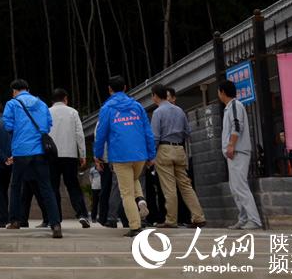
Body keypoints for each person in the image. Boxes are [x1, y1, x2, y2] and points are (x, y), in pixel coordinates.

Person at [93, 76, 156, 237]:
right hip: (140, 154)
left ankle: (135, 226)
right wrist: (151, 154)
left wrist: (97, 155)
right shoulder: (137, 106)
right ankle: (140, 199)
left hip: (121, 155)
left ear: (109, 89)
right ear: (126, 87)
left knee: (126, 192)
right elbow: (147, 131)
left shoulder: (107, 108)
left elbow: (101, 134)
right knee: (134, 180)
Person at [3, 79, 62, 238]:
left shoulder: (12, 104)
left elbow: (8, 126)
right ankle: (55, 224)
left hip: (21, 151)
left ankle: (15, 221)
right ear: (27, 89)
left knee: (15, 186)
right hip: (39, 150)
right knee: (46, 187)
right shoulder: (41, 104)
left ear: (15, 91)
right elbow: (48, 125)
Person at [150, 84, 206, 228]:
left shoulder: (158, 112)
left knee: (169, 188)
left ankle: (171, 219)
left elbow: (155, 137)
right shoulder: (179, 110)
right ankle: (198, 216)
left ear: (155, 95)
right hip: (180, 149)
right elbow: (187, 132)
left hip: (164, 149)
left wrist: (151, 154)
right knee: (186, 185)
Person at [217, 81, 263, 230]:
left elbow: (237, 125)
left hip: (238, 151)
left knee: (240, 186)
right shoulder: (229, 107)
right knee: (235, 187)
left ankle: (254, 220)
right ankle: (243, 219)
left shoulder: (235, 105)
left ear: (222, 92)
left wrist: (231, 145)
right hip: (234, 153)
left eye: (219, 92)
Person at [48, 88, 90, 228]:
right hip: (70, 155)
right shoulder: (73, 112)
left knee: (52, 187)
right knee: (73, 186)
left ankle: (55, 218)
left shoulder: (47, 112)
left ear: (52, 100)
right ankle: (82, 214)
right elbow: (79, 134)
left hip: (51, 155)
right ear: (65, 98)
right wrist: (82, 154)